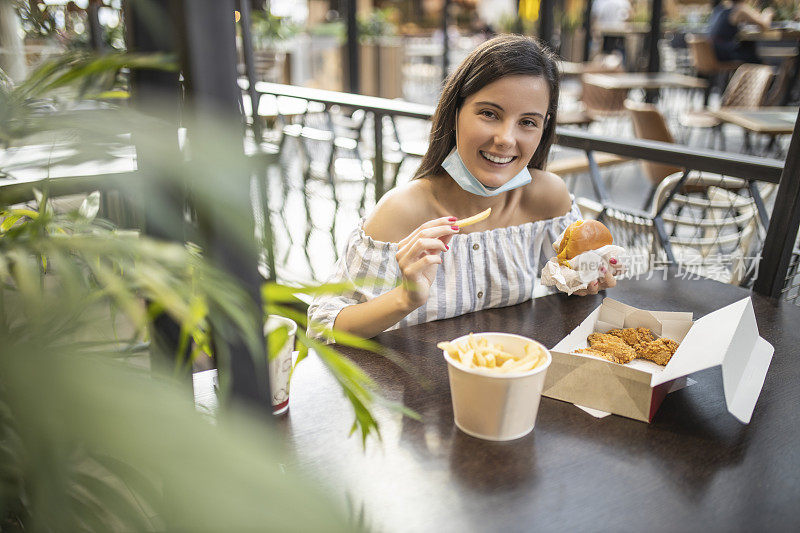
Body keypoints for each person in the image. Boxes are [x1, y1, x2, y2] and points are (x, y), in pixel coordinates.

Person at [307, 35, 619, 341]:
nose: (506, 139)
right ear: (456, 112)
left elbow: (569, 279)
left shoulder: (550, 200)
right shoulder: (402, 211)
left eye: (527, 122)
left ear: (544, 127)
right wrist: (405, 298)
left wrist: (585, 279)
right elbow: (322, 326)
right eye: (489, 114)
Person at [708, 0, 774, 63]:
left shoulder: (721, 8)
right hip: (725, 54)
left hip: (713, 52)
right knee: (752, 54)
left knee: (749, 48)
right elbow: (764, 26)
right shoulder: (740, 9)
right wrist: (767, 13)